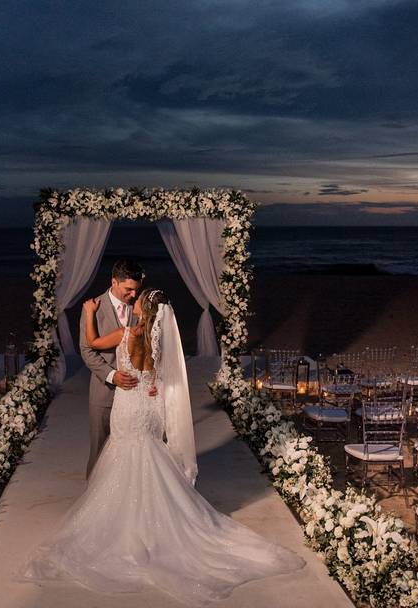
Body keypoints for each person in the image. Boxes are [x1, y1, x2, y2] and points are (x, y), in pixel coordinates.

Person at [19, 290, 305, 606]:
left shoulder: (126, 332)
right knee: (150, 455)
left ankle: (126, 520)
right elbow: (161, 378)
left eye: (139, 298)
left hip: (128, 406)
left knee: (124, 455)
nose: (135, 299)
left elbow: (93, 341)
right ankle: (152, 516)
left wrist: (87, 313)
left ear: (143, 308)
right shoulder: (159, 342)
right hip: (150, 406)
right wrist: (152, 384)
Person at [79, 258, 143, 478]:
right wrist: (112, 375)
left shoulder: (139, 308)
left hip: (134, 394)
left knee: (131, 451)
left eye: (136, 290)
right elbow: (87, 351)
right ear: (114, 282)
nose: (133, 295)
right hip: (103, 394)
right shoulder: (93, 308)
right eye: (128, 289)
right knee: (99, 451)